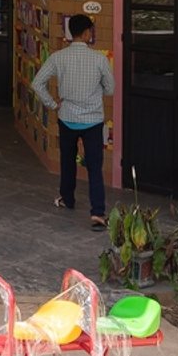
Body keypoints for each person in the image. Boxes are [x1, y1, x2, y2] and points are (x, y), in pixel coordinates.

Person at [31, 13, 115, 227]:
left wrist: (52, 104)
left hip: (67, 118)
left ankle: (67, 199)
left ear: (71, 33)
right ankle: (97, 212)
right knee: (95, 167)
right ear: (87, 33)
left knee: (67, 162)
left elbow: (37, 83)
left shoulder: (58, 57)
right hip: (93, 121)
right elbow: (110, 89)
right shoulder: (99, 59)